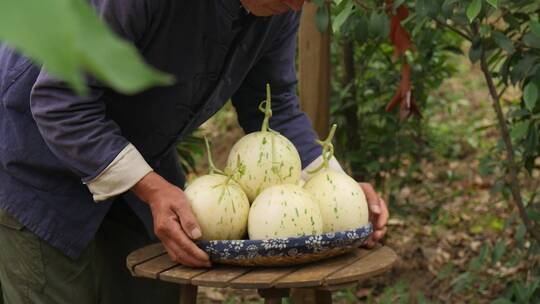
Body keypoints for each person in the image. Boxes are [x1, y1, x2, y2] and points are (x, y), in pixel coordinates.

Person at [0, 0, 388, 303]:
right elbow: (61, 102)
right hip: (33, 160)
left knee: (155, 293)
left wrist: (336, 187)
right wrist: (152, 188)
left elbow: (274, 106)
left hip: (142, 153)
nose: (296, 6)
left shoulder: (280, 9)